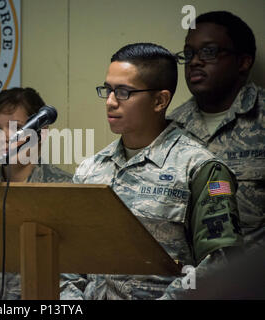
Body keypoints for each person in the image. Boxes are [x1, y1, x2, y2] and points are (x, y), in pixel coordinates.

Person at [72, 43, 242, 299]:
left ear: (160, 100)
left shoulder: (200, 168)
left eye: (123, 92)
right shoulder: (90, 170)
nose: (110, 102)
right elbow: (67, 257)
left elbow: (219, 262)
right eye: (107, 90)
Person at [0, 87, 85, 299]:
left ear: (41, 133)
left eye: (15, 127)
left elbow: (77, 268)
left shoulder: (64, 189)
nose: (4, 137)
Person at [168, 11, 264, 250]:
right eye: (189, 54)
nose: (195, 61)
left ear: (243, 61)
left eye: (208, 51)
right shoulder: (170, 128)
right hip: (183, 282)